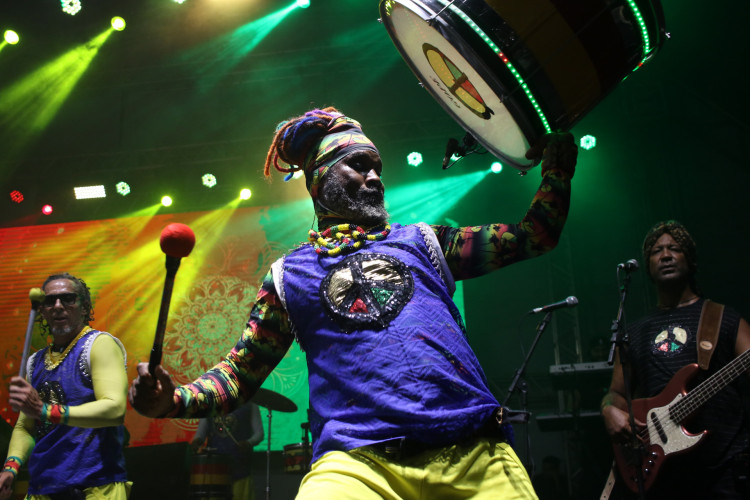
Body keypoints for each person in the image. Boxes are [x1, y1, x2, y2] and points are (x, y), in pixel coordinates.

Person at [129, 107, 577, 499]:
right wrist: (172, 400)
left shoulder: (423, 241)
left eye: (378, 167)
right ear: (320, 179)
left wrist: (557, 172)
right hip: (357, 467)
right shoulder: (288, 276)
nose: (376, 177)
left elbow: (534, 235)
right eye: (359, 165)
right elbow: (237, 375)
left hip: (474, 450)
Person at [600, 220, 750, 498]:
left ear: (689, 259)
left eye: (674, 248)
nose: (665, 255)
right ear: (648, 265)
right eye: (656, 251)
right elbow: (617, 394)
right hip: (662, 469)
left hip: (724, 467)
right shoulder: (635, 331)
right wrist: (609, 410)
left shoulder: (725, 318)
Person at [0, 273, 130, 500]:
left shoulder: (99, 345)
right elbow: (25, 427)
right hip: (42, 489)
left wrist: (45, 411)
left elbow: (114, 409)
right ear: (42, 311)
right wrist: (11, 467)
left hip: (95, 487)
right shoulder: (35, 362)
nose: (58, 306)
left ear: (84, 307)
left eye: (67, 299)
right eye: (50, 301)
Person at [190, 401, 264, 499]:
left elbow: (259, 433)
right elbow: (200, 433)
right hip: (215, 470)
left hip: (241, 466)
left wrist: (249, 443)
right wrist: (197, 441)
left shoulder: (249, 405)